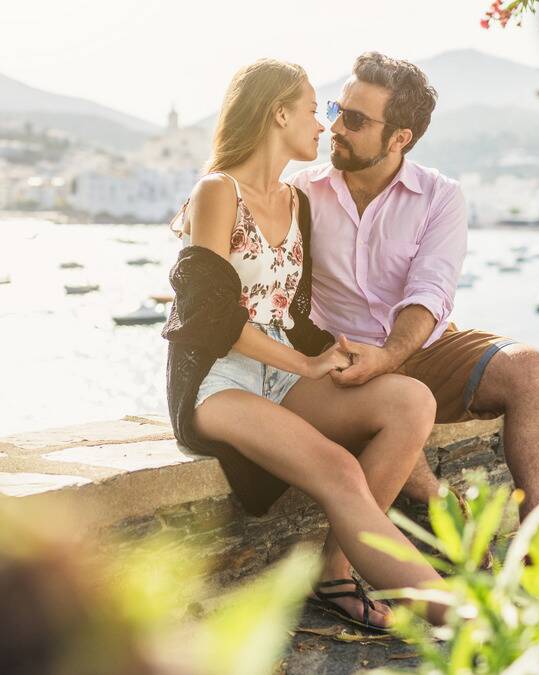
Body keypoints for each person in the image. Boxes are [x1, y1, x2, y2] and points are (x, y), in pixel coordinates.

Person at [163, 58, 447, 631]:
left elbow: (291, 314)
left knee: (411, 400)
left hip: (282, 373)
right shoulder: (217, 192)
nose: (325, 125)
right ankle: (470, 621)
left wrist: (341, 356)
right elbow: (206, 318)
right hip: (219, 379)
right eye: (318, 110)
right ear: (279, 113)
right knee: (339, 471)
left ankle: (349, 571)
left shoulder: (299, 203)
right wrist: (304, 363)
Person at [289, 52, 539, 552]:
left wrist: (390, 356)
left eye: (354, 120)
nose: (335, 129)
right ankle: (440, 510)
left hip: (423, 346)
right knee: (391, 399)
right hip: (340, 355)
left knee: (530, 369)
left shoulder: (440, 196)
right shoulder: (301, 192)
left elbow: (430, 292)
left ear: (400, 138)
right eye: (335, 110)